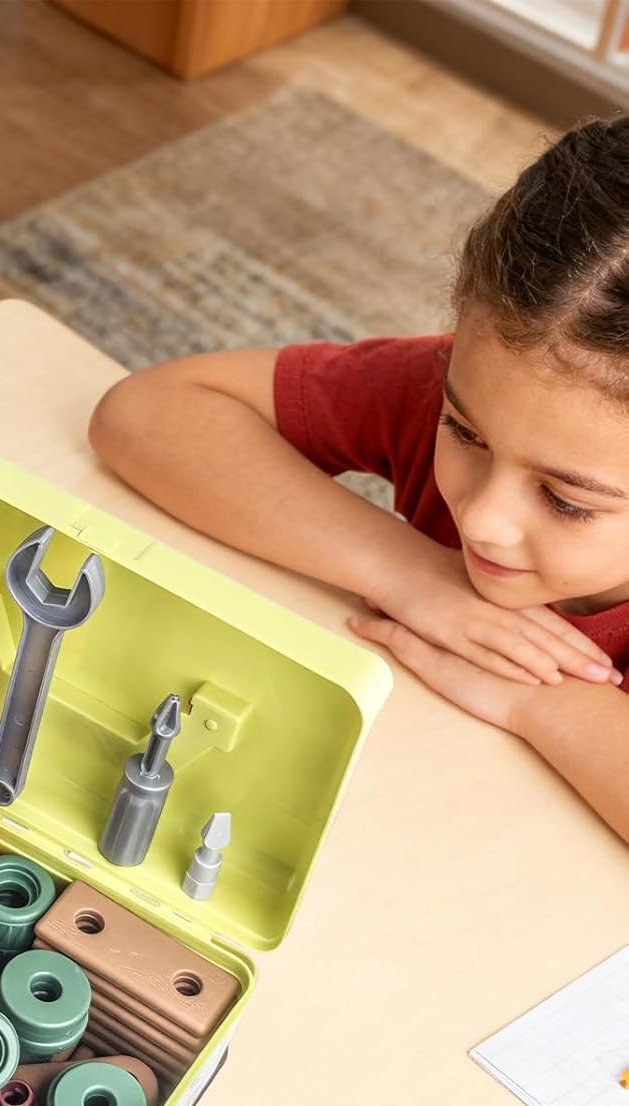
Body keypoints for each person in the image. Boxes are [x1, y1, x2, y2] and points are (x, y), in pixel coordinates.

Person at [89, 116, 629, 840]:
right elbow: (147, 412)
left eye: (566, 501)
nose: (481, 519)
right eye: (463, 433)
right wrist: (403, 568)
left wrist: (541, 700)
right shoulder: (487, 386)